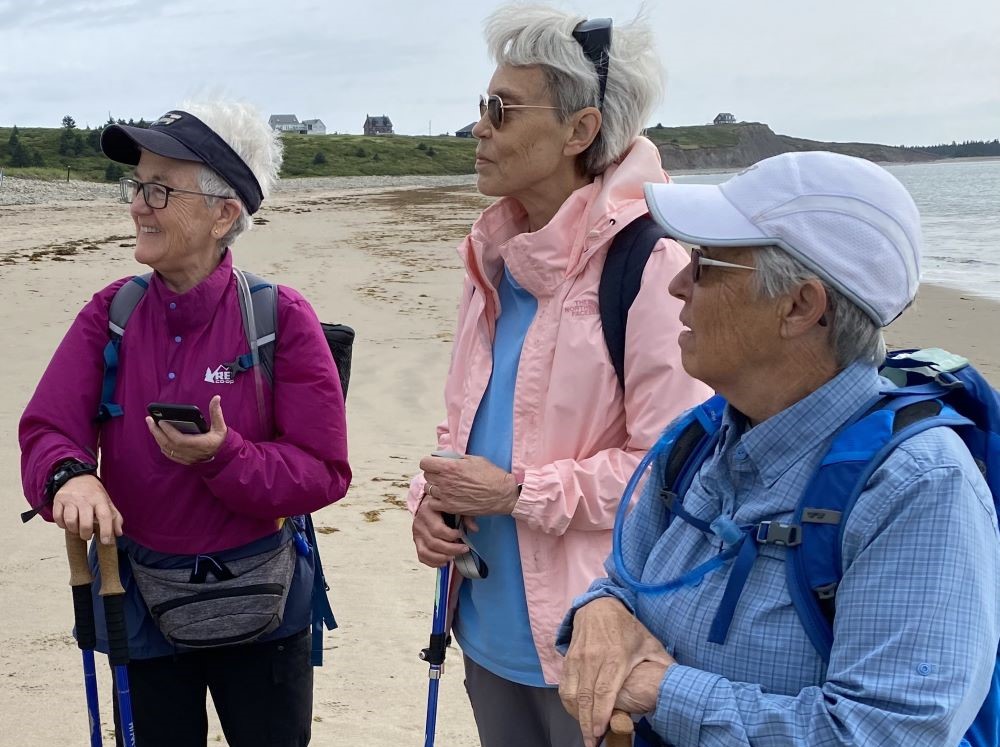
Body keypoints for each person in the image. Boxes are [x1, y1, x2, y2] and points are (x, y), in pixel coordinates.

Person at [557, 151, 1000, 746]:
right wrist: (600, 615)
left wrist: (662, 691)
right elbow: (620, 582)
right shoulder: (697, 440)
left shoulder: (919, 488)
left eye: (705, 263)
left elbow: (888, 732)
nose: (677, 283)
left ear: (799, 305)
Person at [407, 5, 710, 746]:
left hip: (600, 650)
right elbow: (460, 431)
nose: (479, 127)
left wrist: (516, 493)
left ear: (579, 131)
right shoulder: (494, 258)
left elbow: (674, 469)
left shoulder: (652, 264)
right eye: (483, 107)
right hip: (482, 632)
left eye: (501, 110)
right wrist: (428, 500)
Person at [19, 101, 351, 747]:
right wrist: (70, 479)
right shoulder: (110, 312)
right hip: (137, 596)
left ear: (224, 213)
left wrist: (225, 457)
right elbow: (47, 430)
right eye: (137, 185)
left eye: (159, 188)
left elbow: (323, 471)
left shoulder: (280, 316)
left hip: (263, 601)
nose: (138, 205)